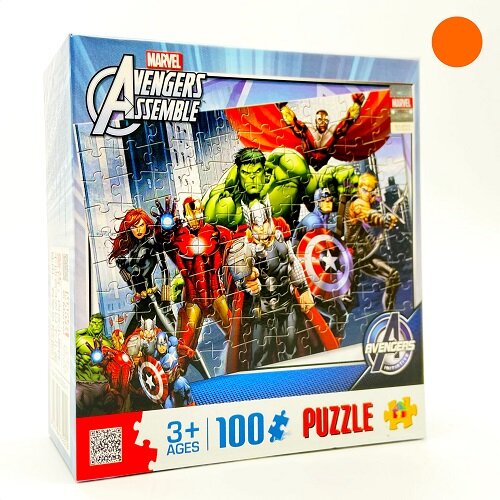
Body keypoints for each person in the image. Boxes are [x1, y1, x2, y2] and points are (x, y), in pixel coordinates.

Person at [226, 196, 339, 368]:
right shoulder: (245, 249)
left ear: (269, 218)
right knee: (260, 357)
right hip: (263, 312)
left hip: (287, 306)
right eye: (257, 224)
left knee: (291, 351)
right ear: (250, 225)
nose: (262, 227)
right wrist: (247, 281)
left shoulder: (282, 241)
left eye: (264, 222)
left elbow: (293, 265)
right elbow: (240, 276)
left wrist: (303, 289)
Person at [108, 208, 174, 337]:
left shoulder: (153, 244)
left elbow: (165, 270)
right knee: (125, 338)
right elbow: (132, 284)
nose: (138, 230)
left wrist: (166, 299)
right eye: (134, 227)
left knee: (174, 336)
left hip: (154, 299)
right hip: (139, 302)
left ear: (146, 225)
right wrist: (123, 269)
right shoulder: (131, 251)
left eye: (141, 225)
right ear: (129, 229)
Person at [345, 172, 400, 311]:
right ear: (362, 189)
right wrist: (383, 219)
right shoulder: (357, 203)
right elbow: (369, 215)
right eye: (371, 190)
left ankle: (389, 313)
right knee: (347, 300)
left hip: (364, 254)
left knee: (393, 276)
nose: (374, 194)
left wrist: (385, 220)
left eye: (374, 190)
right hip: (356, 257)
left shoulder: (363, 203)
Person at [280, 93, 365, 170]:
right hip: (307, 168)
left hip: (322, 170)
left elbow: (348, 121)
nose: (323, 122)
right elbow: (293, 123)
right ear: (315, 121)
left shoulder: (332, 133)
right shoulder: (308, 131)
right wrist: (283, 107)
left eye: (326, 120)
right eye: (320, 119)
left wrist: (357, 105)